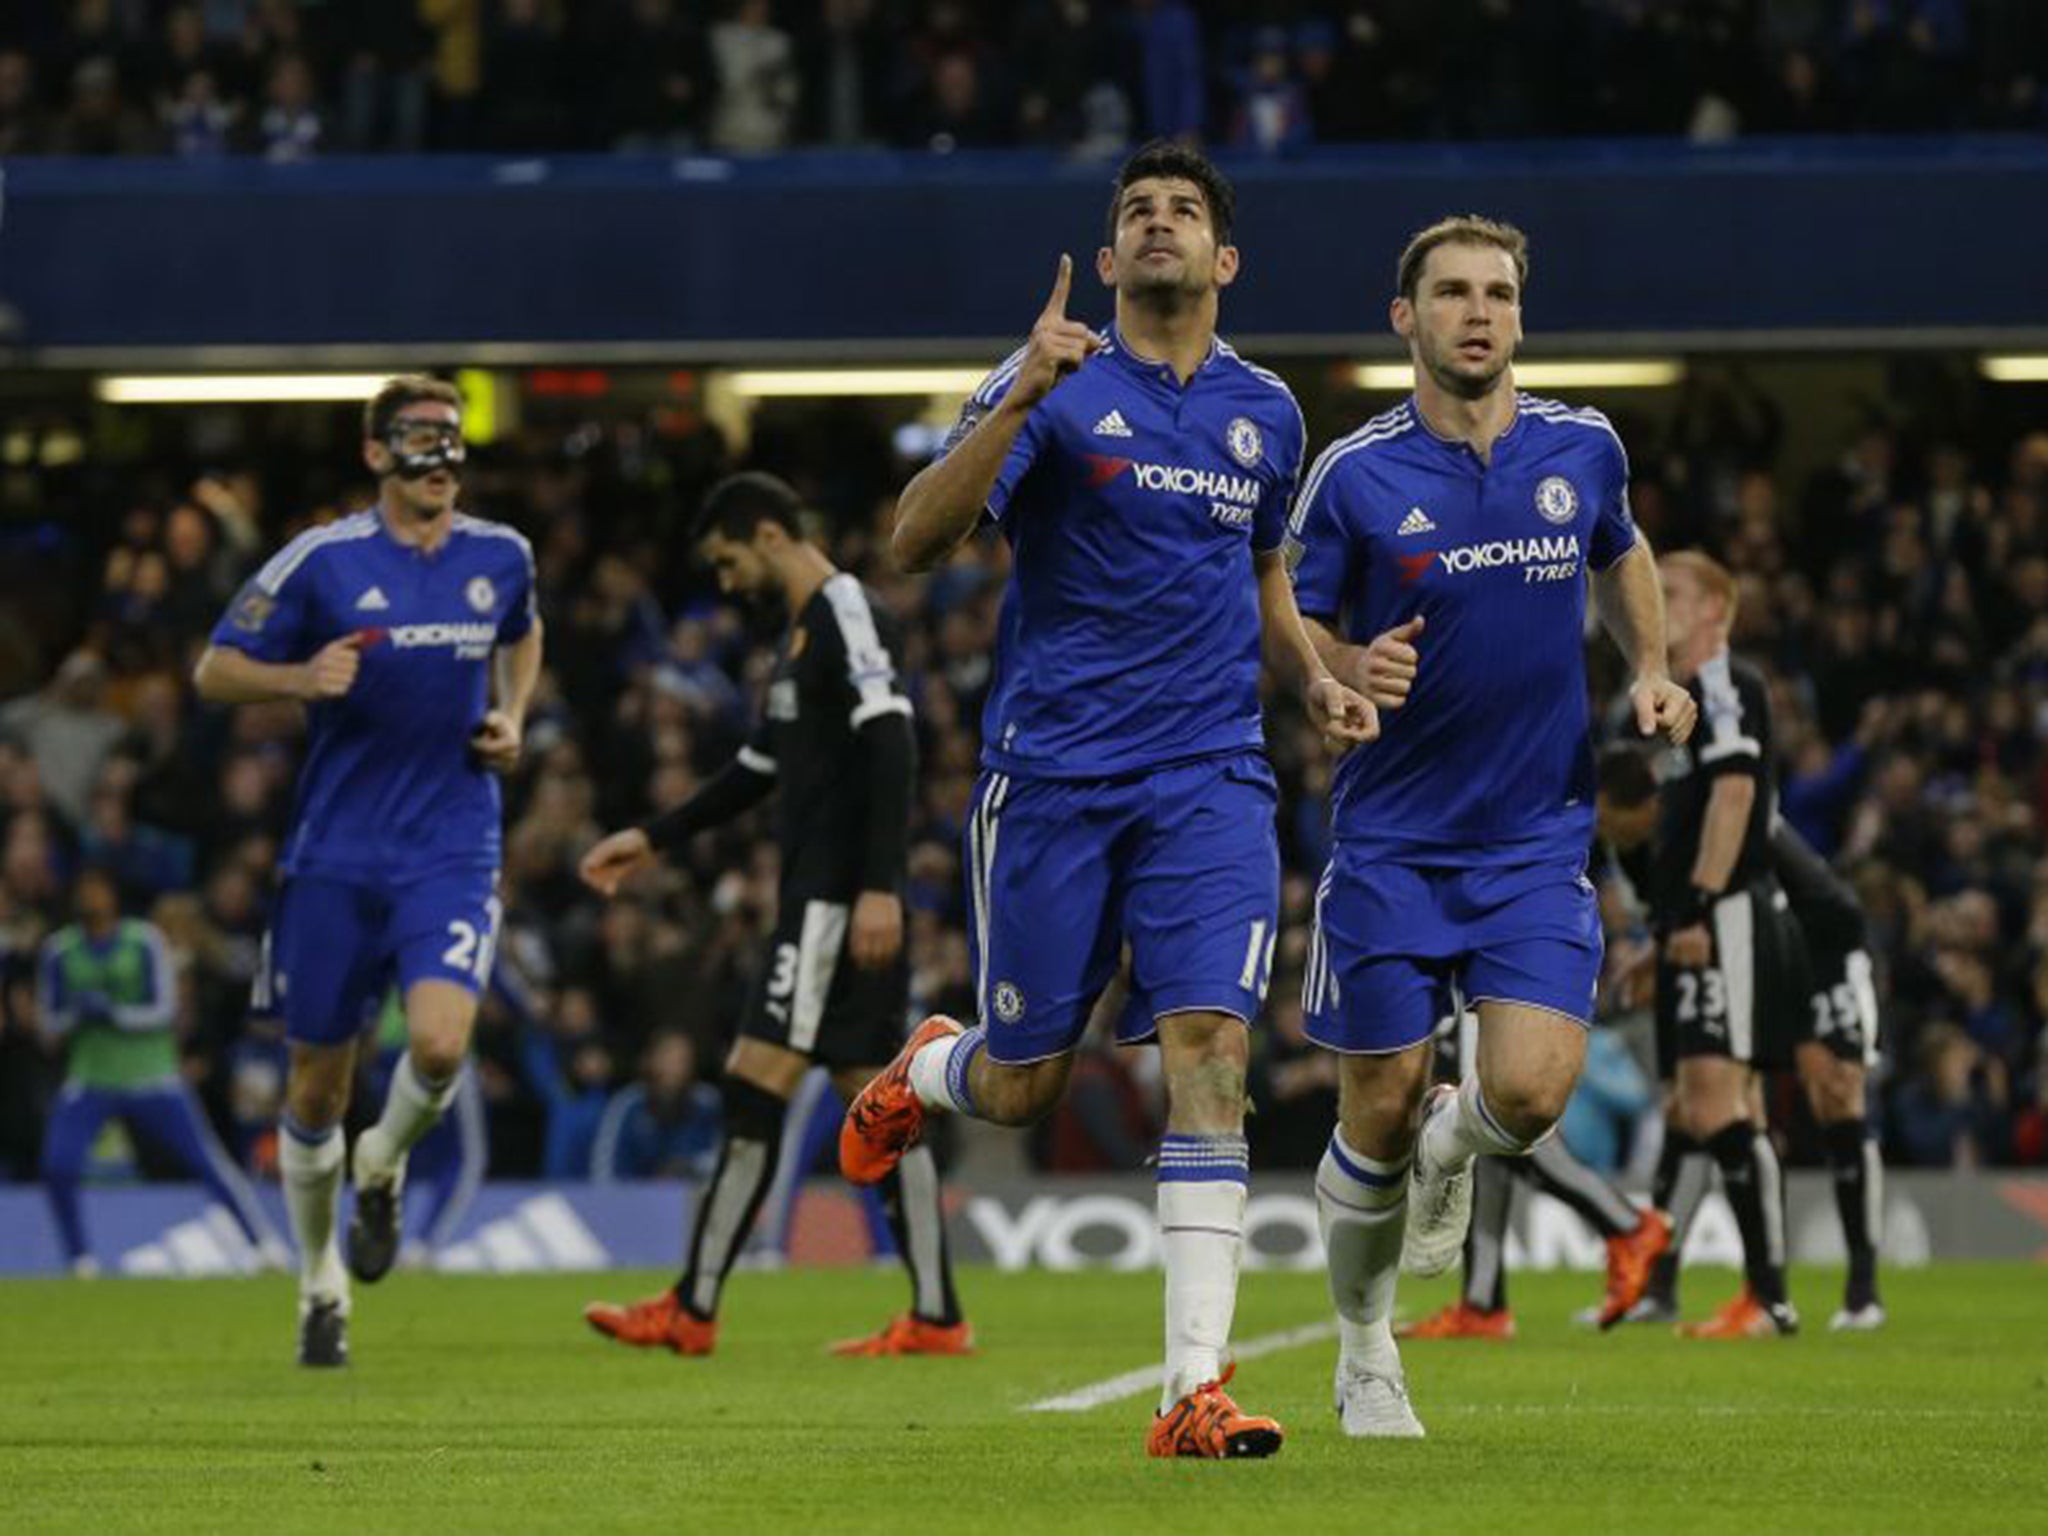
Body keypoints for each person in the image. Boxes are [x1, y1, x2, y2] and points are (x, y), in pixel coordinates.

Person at [839, 139, 1376, 1459]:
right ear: (1116, 246)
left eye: (1184, 212)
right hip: (1057, 780)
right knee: (1023, 1087)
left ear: (1223, 258)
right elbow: (910, 543)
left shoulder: (1270, 414)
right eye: (1137, 209)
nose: (1157, 225)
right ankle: (934, 1064)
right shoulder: (1060, 388)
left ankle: (1192, 1391)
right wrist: (1016, 396)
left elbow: (1265, 581)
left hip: (1211, 781)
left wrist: (1313, 670)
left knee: (1212, 1055)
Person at [1284, 214, 1697, 1437]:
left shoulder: (1583, 446)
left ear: (1520, 316)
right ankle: (1365, 1357)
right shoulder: (1353, 473)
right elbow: (1285, 616)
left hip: (1532, 839)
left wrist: (1650, 668)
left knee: (1525, 1094)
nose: (1479, 313)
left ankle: (1451, 1156)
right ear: (1403, 318)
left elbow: (1619, 556)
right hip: (1390, 844)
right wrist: (1342, 659)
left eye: (1499, 294)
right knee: (1376, 1104)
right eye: (1453, 293)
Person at [577, 471, 970, 1359]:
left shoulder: (846, 612)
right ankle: (938, 1313)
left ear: (763, 535)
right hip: (829, 898)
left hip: (834, 902)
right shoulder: (800, 638)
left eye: (726, 561)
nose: (725, 583)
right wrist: (651, 836)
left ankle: (694, 1304)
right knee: (876, 1099)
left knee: (755, 1083)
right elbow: (757, 768)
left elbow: (894, 739)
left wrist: (877, 885)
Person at [193, 376, 542, 1367]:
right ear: (375, 454)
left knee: (437, 1047)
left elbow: (523, 636)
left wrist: (512, 715)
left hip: (450, 842)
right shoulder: (323, 560)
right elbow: (214, 669)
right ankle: (319, 1283)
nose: (440, 460)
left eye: (452, 442)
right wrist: (297, 676)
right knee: (313, 1090)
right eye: (419, 441)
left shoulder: (500, 555)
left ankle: (381, 1166)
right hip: (335, 856)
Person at [1398, 747, 1674, 1340]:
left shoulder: (1524, 794)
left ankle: (1624, 1223)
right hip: (1509, 933)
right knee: (1485, 1124)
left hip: (1489, 934)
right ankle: (1482, 1302)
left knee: (1496, 1109)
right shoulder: (1565, 806)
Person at [1638, 817, 1886, 1332]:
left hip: (1822, 944)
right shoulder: (1672, 838)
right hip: (1758, 951)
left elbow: (1817, 901)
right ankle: (1672, 1288)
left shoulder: (1727, 819)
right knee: (1711, 1104)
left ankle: (1863, 1291)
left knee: (1836, 1090)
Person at [1647, 550, 1800, 1339]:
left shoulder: (1723, 687)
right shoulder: (1680, 703)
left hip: (1728, 914)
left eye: (1671, 592)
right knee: (1690, 1102)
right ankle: (1658, 1281)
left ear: (1717, 610)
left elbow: (1736, 794)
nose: (1658, 603)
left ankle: (1767, 1297)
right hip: (1695, 923)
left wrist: (1702, 907)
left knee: (1718, 1101)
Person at [38, 864, 285, 1276]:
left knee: (207, 1162)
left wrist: (114, 1014)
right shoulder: (60, 951)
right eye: (83, 890)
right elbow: (49, 1024)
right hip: (92, 1076)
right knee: (57, 1166)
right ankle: (79, 1259)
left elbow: (164, 1009)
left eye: (97, 889)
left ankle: (265, 1242)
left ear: (113, 895)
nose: (89, 899)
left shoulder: (143, 942)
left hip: (151, 1075)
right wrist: (72, 1018)